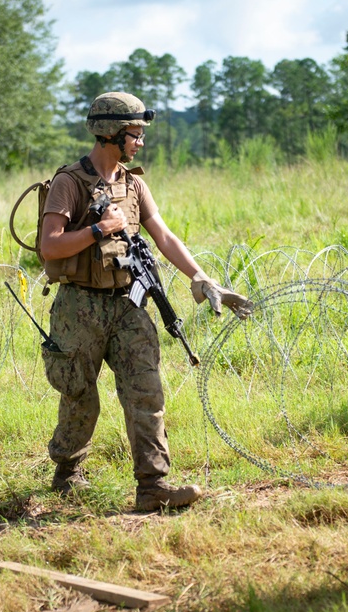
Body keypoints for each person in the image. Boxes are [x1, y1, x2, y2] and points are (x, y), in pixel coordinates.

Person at [38, 91, 253, 511]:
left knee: (146, 392)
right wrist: (99, 230)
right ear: (109, 134)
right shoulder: (68, 183)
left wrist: (201, 276)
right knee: (80, 396)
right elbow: (50, 247)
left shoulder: (134, 183)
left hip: (128, 305)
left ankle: (153, 488)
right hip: (79, 306)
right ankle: (67, 470)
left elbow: (164, 234)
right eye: (134, 134)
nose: (140, 142)